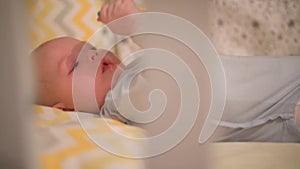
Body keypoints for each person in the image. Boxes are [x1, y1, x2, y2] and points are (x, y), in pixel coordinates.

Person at [32, 0, 300, 142]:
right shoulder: (120, 102)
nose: (92, 55)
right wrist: (137, 25)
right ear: (66, 110)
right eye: (76, 65)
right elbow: (172, 77)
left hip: (282, 84)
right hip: (282, 108)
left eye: (89, 47)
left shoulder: (130, 75)